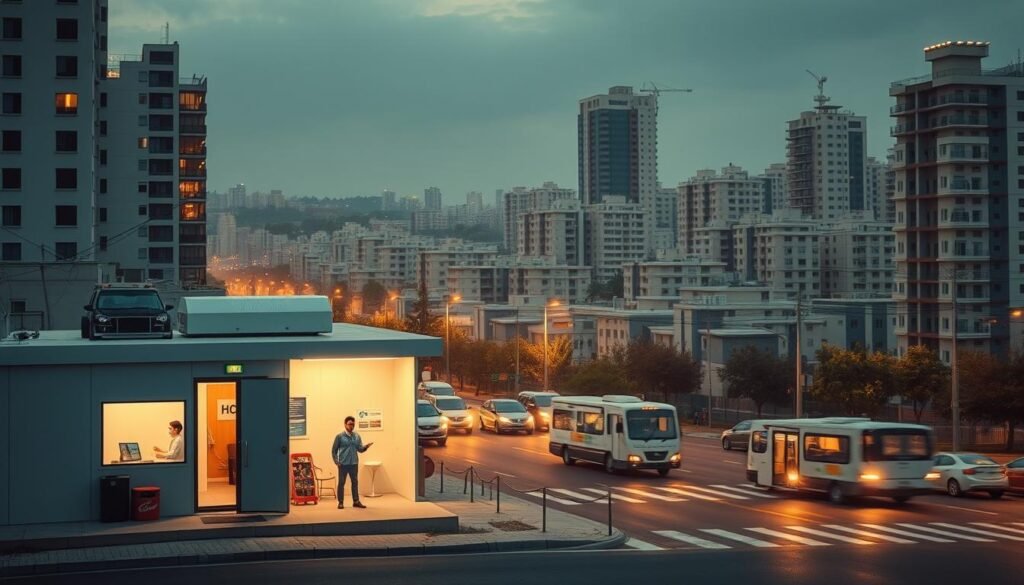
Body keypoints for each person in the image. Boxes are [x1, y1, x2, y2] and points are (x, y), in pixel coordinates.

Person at [331, 416, 373, 509]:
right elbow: (334, 450)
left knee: (355, 482)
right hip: (343, 464)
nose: (351, 426)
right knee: (341, 483)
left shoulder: (357, 436)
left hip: (354, 463)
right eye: (350, 424)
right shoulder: (339, 437)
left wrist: (366, 447)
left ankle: (356, 501)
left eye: (353, 424)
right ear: (345, 424)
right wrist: (336, 461)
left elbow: (359, 449)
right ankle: (340, 502)